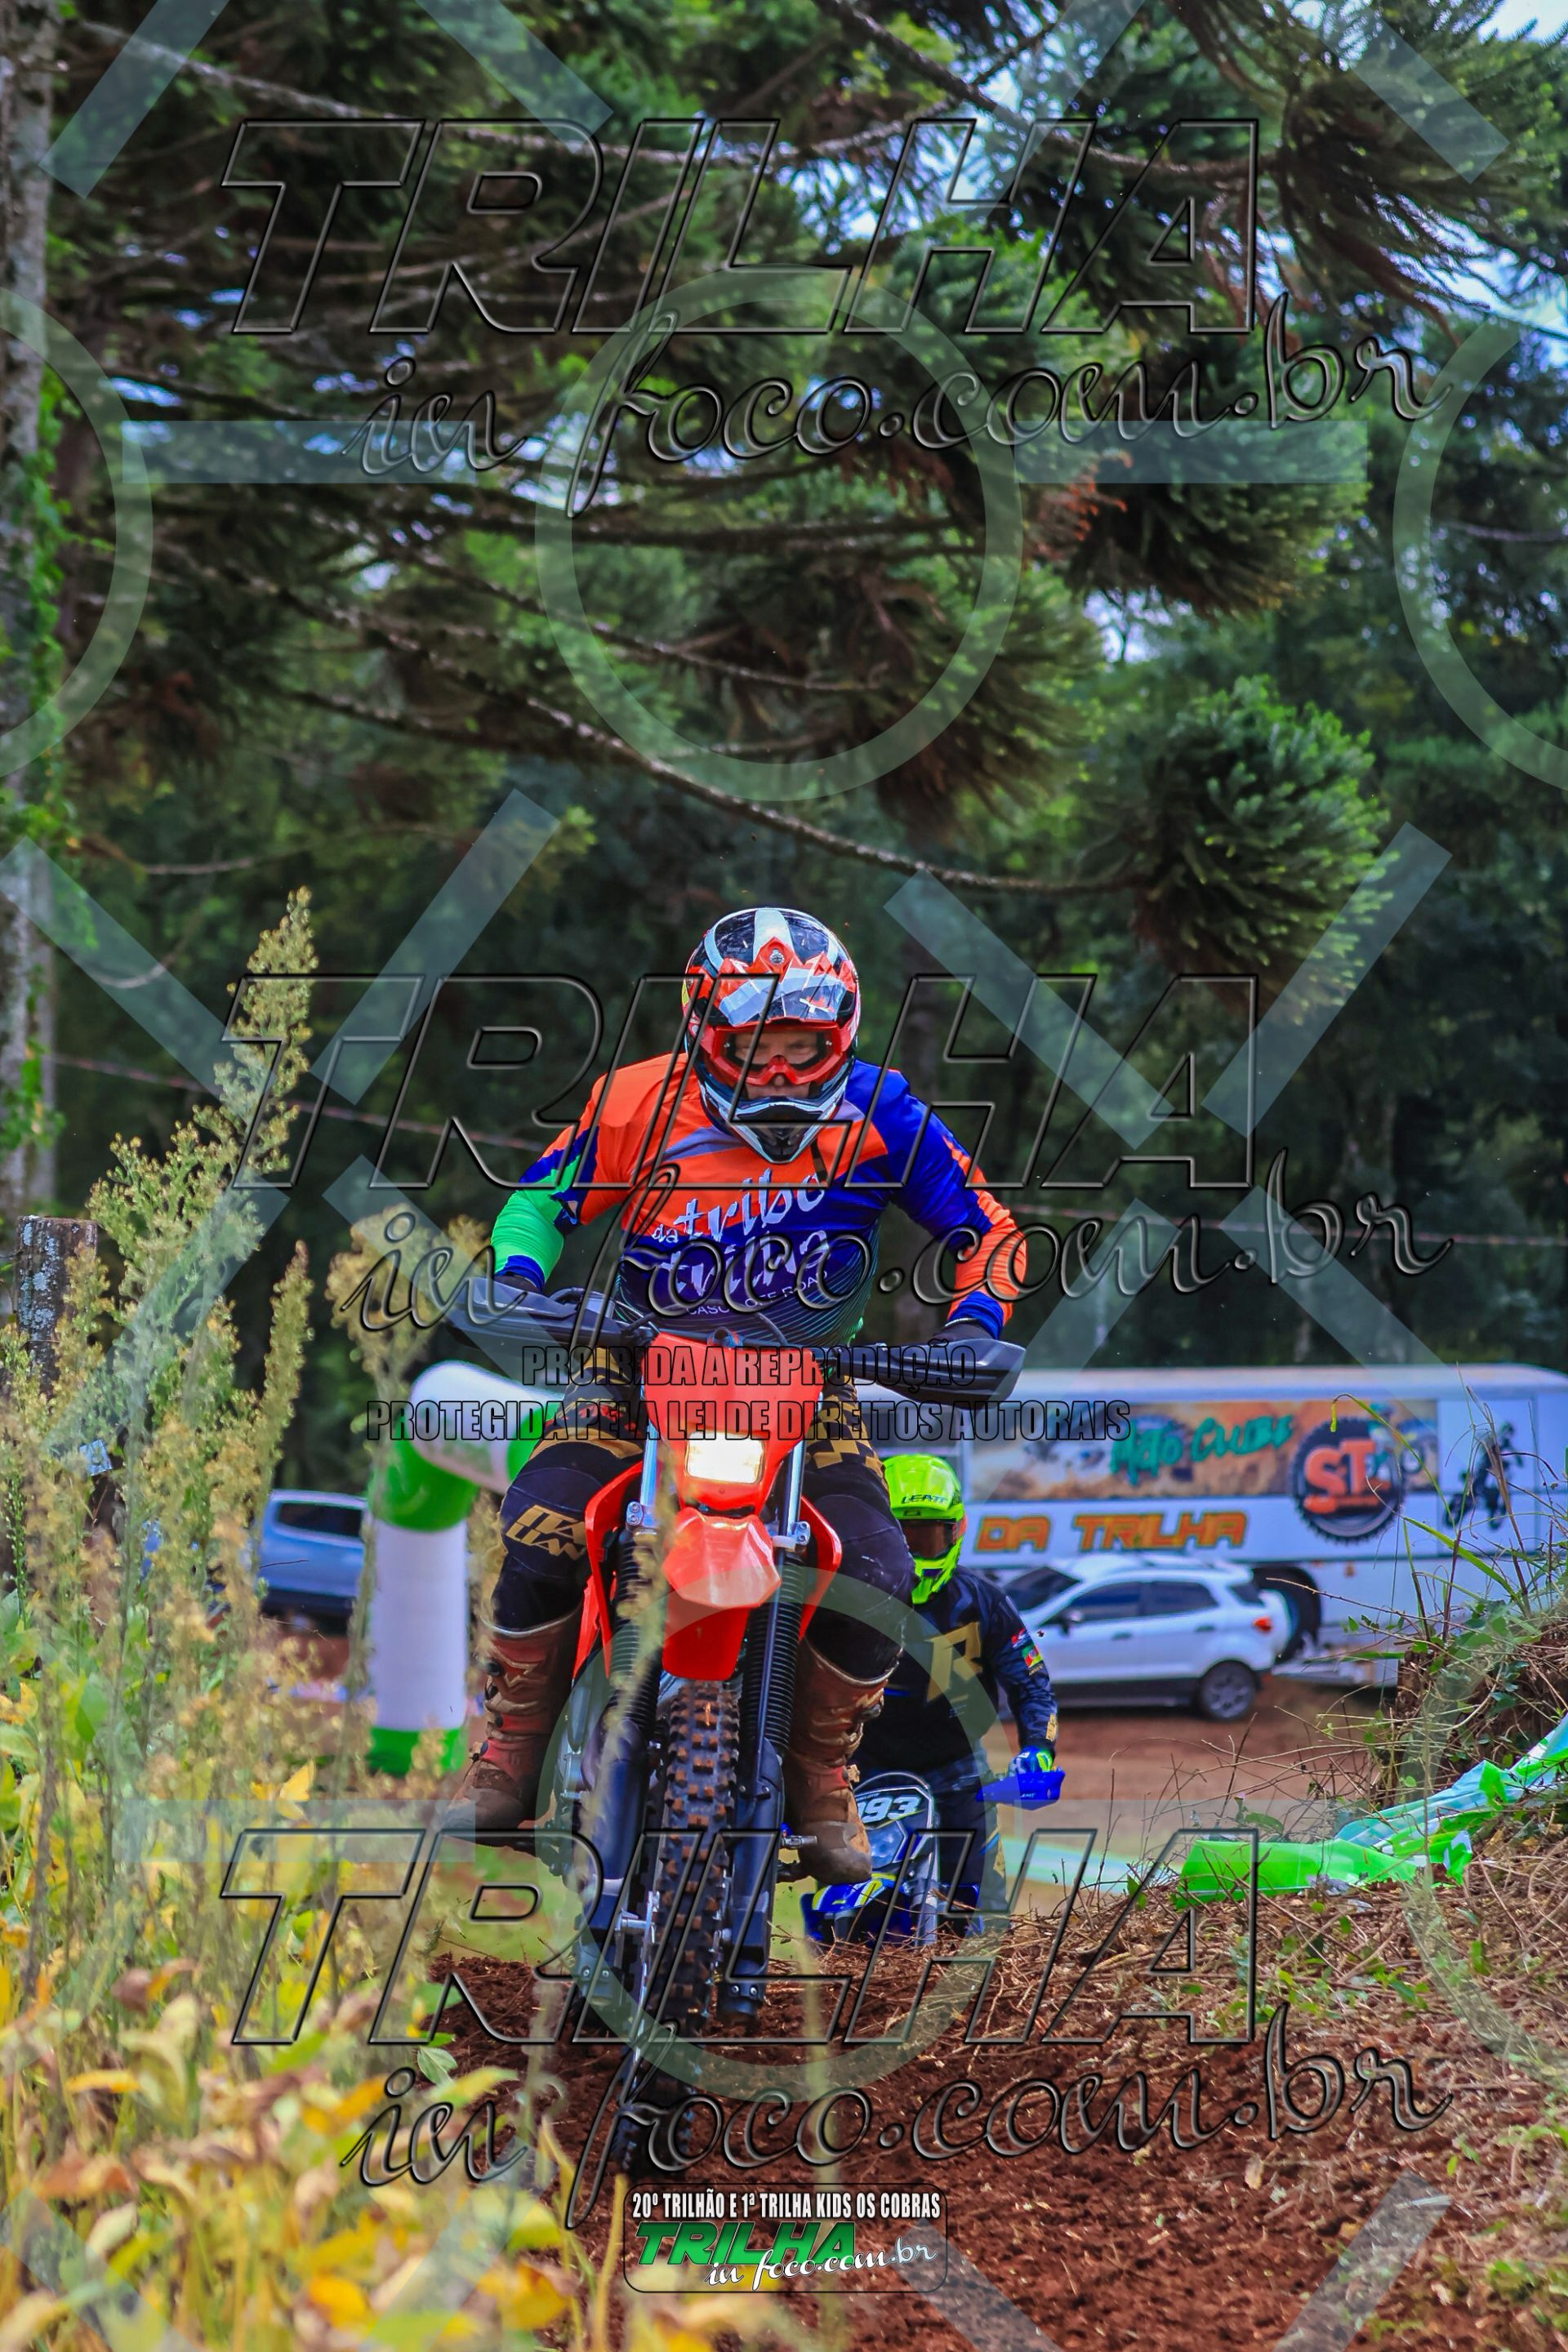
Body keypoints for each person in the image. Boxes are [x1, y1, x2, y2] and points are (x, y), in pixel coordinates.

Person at [451, 905, 1025, 1881]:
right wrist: (516, 1276)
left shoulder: (883, 1113)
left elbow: (990, 1232)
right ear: (705, 1033)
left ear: (841, 1036)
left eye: (806, 1048)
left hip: (810, 1387)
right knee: (542, 1524)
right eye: (758, 1048)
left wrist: (973, 1326)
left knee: (878, 1566)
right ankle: (511, 1752)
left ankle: (821, 1771)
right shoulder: (637, 1101)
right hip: (636, 1368)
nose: (783, 1074)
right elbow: (543, 1199)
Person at [859, 1452, 1058, 1913]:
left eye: (927, 1536)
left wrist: (1038, 1749)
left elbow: (1031, 1682)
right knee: (854, 1908)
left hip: (958, 1769)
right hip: (863, 1769)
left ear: (956, 1531)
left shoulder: (984, 1601)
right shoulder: (844, 1600)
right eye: (902, 1536)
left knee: (981, 1908)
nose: (914, 1552)